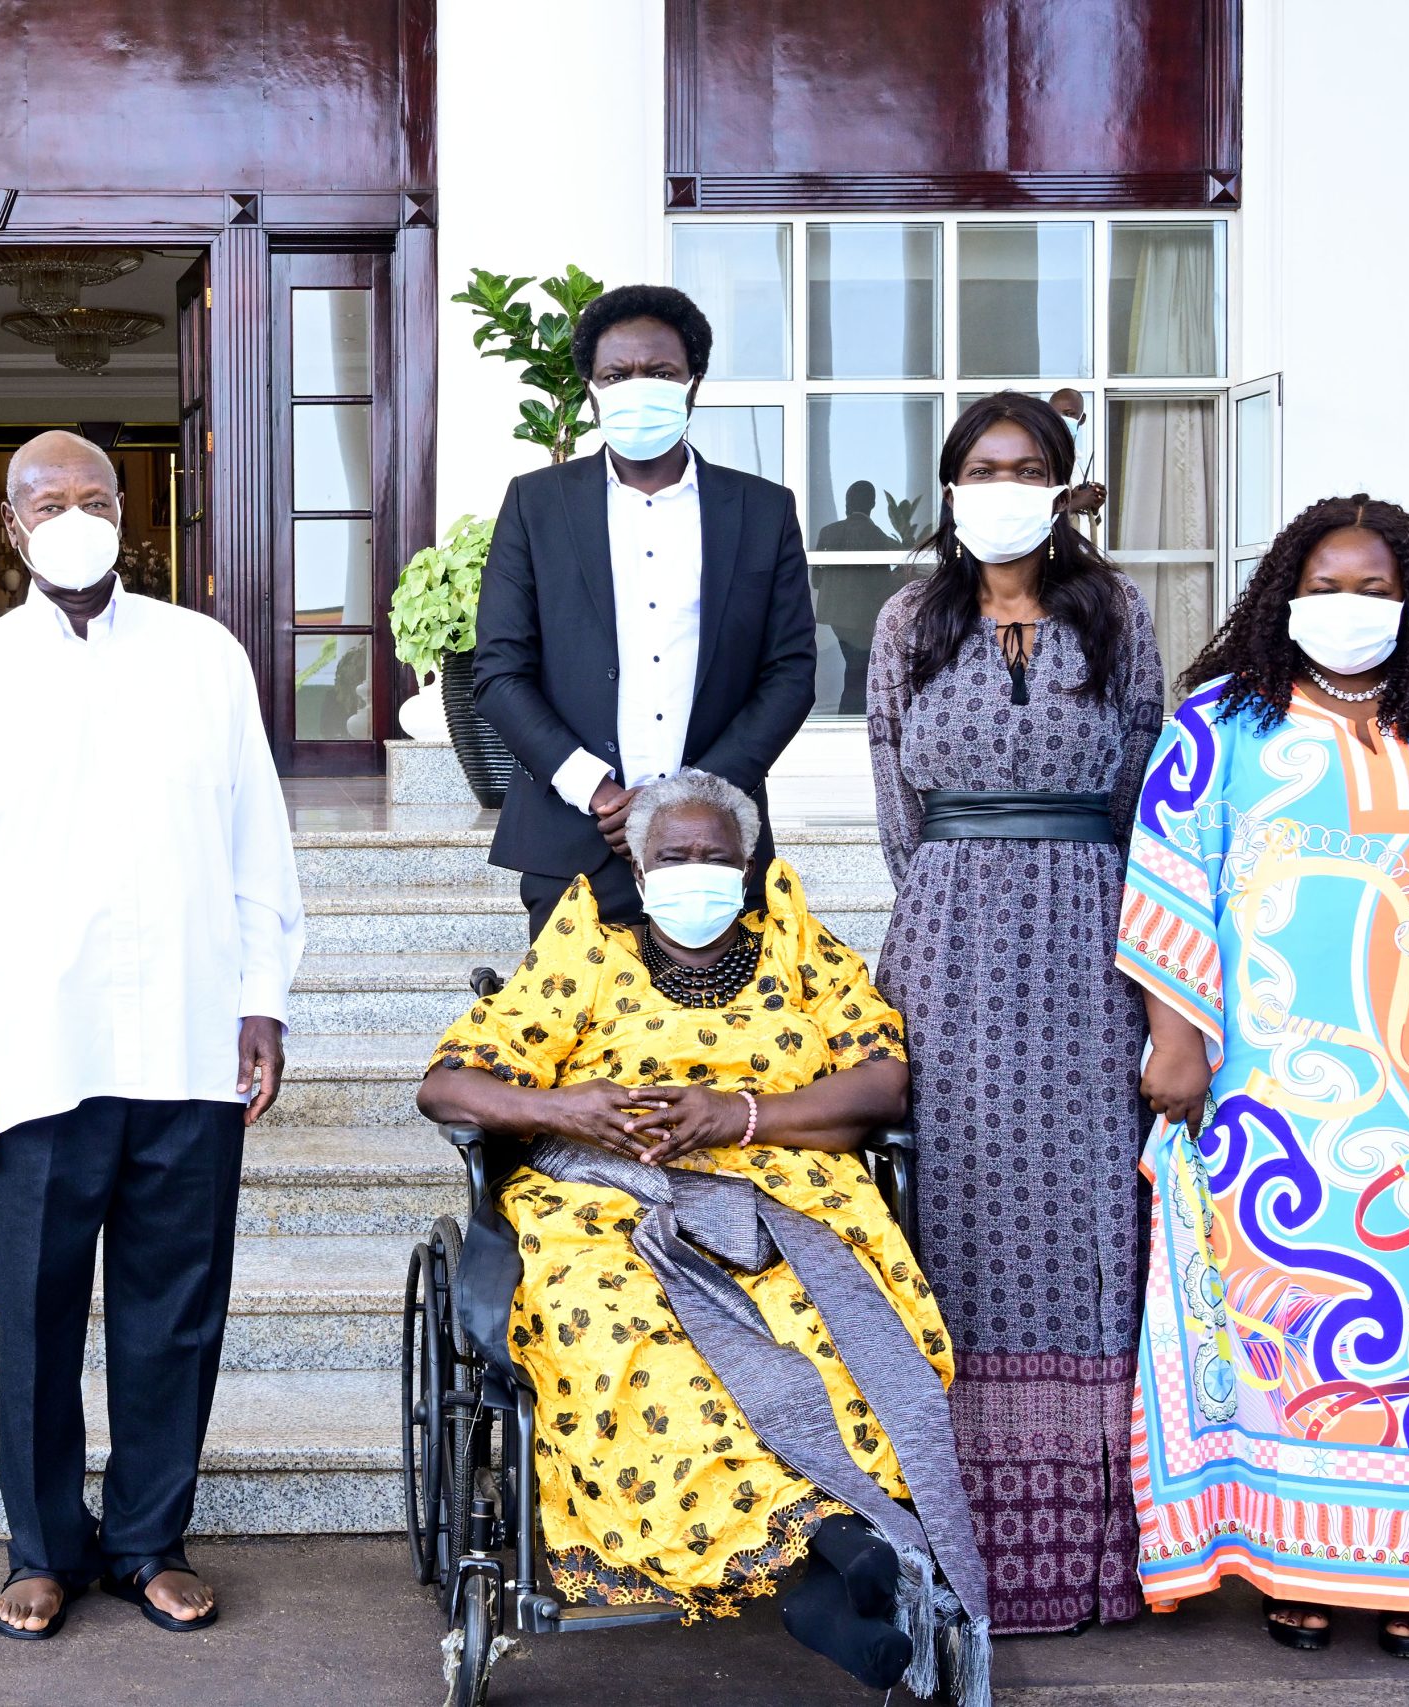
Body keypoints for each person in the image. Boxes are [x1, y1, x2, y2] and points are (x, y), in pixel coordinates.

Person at [1120, 494, 1409, 1668]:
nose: (1348, 608)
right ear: (1284, 594)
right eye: (1325, 586)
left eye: (1373, 589)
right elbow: (1173, 873)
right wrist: (1176, 1039)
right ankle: (1291, 1559)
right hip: (1265, 1097)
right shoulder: (1217, 727)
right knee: (1285, 1330)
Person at [418, 769, 994, 1703]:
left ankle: (826, 1567)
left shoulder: (800, 953)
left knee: (829, 1332)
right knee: (638, 1341)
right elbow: (446, 1084)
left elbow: (882, 1085)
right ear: (640, 871)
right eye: (674, 856)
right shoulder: (588, 959)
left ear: (747, 864)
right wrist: (568, 1108)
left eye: (716, 856)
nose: (696, 871)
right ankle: (829, 1556)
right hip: (609, 1207)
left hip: (786, 1197)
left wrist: (742, 1113)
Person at [0, 430, 303, 1643]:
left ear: (132, 515)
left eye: (93, 496)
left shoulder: (204, 658)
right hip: (32, 1056)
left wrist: (262, 996)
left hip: (186, 1041)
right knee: (39, 1313)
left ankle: (148, 1540)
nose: (72, 515)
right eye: (44, 501)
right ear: (10, 531)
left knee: (175, 1308)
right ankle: (41, 1547)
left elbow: (254, 844)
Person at [864, 391, 1165, 1634]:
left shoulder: (1118, 614)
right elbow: (894, 795)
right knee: (955, 1209)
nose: (1003, 484)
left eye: (1026, 466)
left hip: (1095, 951)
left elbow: (1149, 782)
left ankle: (1095, 1557)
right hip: (947, 952)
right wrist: (949, 907)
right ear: (949, 487)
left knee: (1097, 1215)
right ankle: (955, 1545)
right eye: (981, 467)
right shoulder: (906, 621)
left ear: (1060, 485)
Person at [474, 283, 818, 939]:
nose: (638, 386)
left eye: (660, 372)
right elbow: (499, 671)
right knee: (576, 1042)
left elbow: (791, 672)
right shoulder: (536, 504)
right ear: (591, 388)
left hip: (718, 849)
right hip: (575, 844)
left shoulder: (761, 511)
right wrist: (598, 791)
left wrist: (691, 800)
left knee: (720, 1039)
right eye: (616, 373)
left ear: (693, 383)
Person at [1048, 389, 1105, 524]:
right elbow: (1032, 518)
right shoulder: (1041, 459)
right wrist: (1074, 503)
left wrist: (1093, 507)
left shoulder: (1074, 461)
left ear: (1082, 419)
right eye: (1055, 416)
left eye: (1068, 414)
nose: (1061, 420)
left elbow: (1083, 525)